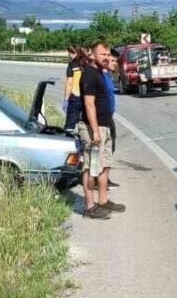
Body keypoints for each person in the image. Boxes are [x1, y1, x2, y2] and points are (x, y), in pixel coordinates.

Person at [77, 42, 125, 219]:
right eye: (102, 54)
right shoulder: (89, 74)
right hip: (93, 128)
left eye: (107, 54)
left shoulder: (100, 73)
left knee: (104, 165)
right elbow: (89, 104)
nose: (105, 57)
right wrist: (95, 131)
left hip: (105, 125)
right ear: (93, 55)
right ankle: (90, 207)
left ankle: (103, 201)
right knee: (90, 168)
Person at [104, 53, 121, 190]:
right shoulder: (102, 77)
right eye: (113, 61)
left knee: (110, 149)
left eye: (116, 61)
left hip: (109, 117)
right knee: (105, 150)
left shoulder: (109, 76)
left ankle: (105, 179)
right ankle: (101, 181)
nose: (115, 63)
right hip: (103, 119)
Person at [64, 47, 88, 131]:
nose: (69, 56)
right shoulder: (86, 63)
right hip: (86, 97)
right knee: (85, 124)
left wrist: (66, 100)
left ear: (72, 53)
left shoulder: (72, 65)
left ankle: (70, 141)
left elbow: (70, 83)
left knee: (70, 126)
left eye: (69, 53)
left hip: (75, 97)